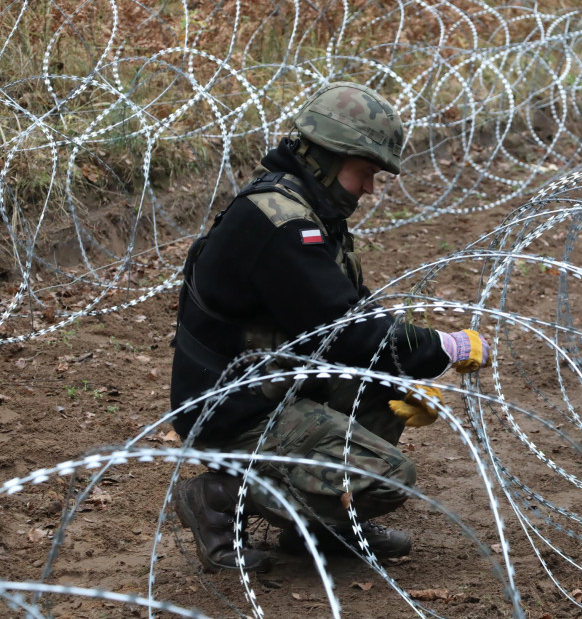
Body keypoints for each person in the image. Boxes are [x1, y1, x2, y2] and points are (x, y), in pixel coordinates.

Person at [170, 81, 490, 572]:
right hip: (233, 409)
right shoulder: (279, 224)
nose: (369, 188)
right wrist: (441, 347)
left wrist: (402, 368)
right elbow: (349, 332)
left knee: (383, 391)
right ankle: (219, 495)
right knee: (388, 477)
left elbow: (349, 315)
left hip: (270, 383)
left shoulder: (308, 210)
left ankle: (323, 529)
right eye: (365, 172)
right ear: (327, 155)